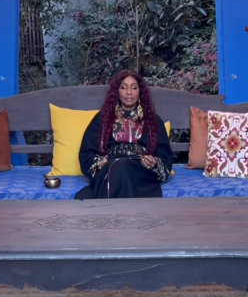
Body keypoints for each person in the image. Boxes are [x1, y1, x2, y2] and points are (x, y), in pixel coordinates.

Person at [74, 69, 173, 199]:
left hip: (139, 171)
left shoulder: (152, 121)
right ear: (117, 91)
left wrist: (153, 162)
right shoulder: (102, 119)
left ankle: (104, 209)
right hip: (109, 167)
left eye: (134, 88)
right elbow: (87, 154)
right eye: (123, 87)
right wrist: (99, 163)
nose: (129, 92)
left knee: (121, 167)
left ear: (140, 92)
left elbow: (165, 159)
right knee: (117, 167)